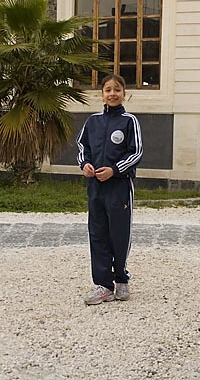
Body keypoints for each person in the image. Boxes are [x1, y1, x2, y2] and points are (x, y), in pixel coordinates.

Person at [76, 74, 143, 305]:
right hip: (95, 187)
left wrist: (115, 170)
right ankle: (103, 285)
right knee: (97, 233)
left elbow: (136, 153)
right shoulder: (92, 122)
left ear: (125, 93)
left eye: (117, 90)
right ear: (101, 94)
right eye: (107, 90)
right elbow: (82, 146)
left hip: (119, 186)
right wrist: (85, 164)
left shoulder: (129, 121)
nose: (112, 94)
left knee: (119, 232)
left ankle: (121, 279)